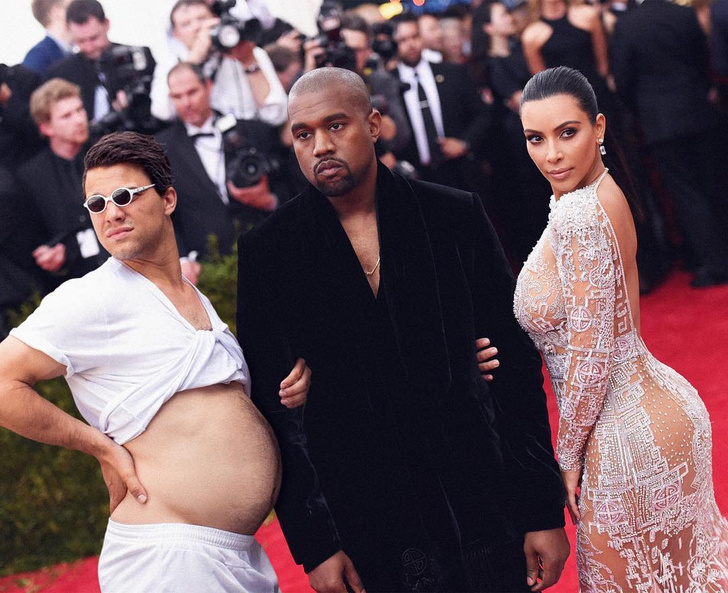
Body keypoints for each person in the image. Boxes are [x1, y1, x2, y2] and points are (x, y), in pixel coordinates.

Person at [237, 67, 569, 593]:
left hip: (480, 503)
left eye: (335, 126)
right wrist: (316, 545)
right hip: (368, 526)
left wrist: (541, 508)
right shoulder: (268, 253)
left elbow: (517, 371)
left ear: (373, 125)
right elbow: (272, 415)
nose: (320, 146)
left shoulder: (453, 215)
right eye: (303, 134)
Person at [0, 131, 311, 592]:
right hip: (167, 557)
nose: (111, 213)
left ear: (168, 198)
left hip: (233, 555)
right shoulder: (91, 297)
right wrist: (101, 447)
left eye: (124, 196)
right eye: (97, 204)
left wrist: (292, 387)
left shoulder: (195, 297)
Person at [514, 66, 728, 592]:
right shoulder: (599, 191)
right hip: (659, 412)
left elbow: (591, 356)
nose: (552, 154)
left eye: (567, 133)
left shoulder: (579, 214)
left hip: (621, 440)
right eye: (536, 139)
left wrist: (566, 459)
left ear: (599, 127)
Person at [611, 0, 728, 287]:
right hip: (701, 109)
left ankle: (716, 264)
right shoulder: (684, 14)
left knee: (687, 194)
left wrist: (640, 110)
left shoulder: (626, 25)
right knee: (716, 184)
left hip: (660, 121)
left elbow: (622, 79)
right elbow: (705, 59)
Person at [156, 62, 298, 283]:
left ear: (208, 86)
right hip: (209, 270)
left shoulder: (253, 131)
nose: (186, 103)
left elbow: (292, 186)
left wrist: (270, 201)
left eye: (192, 92)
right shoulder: (161, 149)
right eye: (177, 96)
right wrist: (181, 259)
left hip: (271, 253)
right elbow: (162, 213)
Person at [17, 78, 107, 287]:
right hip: (73, 283)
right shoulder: (32, 177)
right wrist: (52, 255)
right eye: (67, 116)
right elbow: (33, 239)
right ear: (46, 127)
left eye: (79, 110)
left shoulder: (106, 154)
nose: (79, 119)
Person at [392, 13, 491, 191]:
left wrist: (464, 143)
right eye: (403, 40)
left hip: (460, 173)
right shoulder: (389, 84)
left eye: (415, 36)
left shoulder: (453, 72)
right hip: (415, 180)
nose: (411, 44)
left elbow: (482, 113)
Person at [23, 0, 74, 77]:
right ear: (57, 12)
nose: (79, 11)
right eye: (73, 6)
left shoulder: (72, 52)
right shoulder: (38, 56)